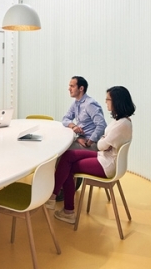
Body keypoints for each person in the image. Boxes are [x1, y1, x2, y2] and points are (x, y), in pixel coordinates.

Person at [47, 86, 136, 224]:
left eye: (108, 99)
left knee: (67, 167)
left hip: (106, 164)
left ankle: (67, 211)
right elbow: (104, 142)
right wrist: (104, 140)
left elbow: (100, 145)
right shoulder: (121, 121)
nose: (106, 102)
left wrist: (103, 140)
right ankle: (53, 196)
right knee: (68, 156)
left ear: (117, 101)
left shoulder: (121, 125)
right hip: (104, 157)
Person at [62, 76, 107, 150]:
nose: (69, 89)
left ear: (81, 88)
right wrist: (73, 126)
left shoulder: (90, 104)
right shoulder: (75, 103)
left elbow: (102, 125)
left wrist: (89, 142)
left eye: (72, 86)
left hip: (91, 143)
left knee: (63, 150)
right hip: (81, 139)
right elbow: (65, 119)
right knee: (61, 146)